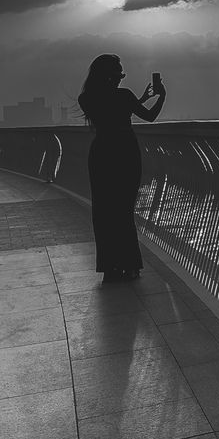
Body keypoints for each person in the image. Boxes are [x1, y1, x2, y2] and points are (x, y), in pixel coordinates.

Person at [78, 55, 165, 283]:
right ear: (109, 76)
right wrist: (160, 96)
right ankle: (131, 265)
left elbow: (109, 111)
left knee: (104, 212)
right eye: (118, 75)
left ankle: (110, 267)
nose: (120, 79)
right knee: (124, 212)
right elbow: (149, 116)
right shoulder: (124, 96)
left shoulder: (86, 98)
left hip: (101, 155)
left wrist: (140, 98)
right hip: (126, 155)